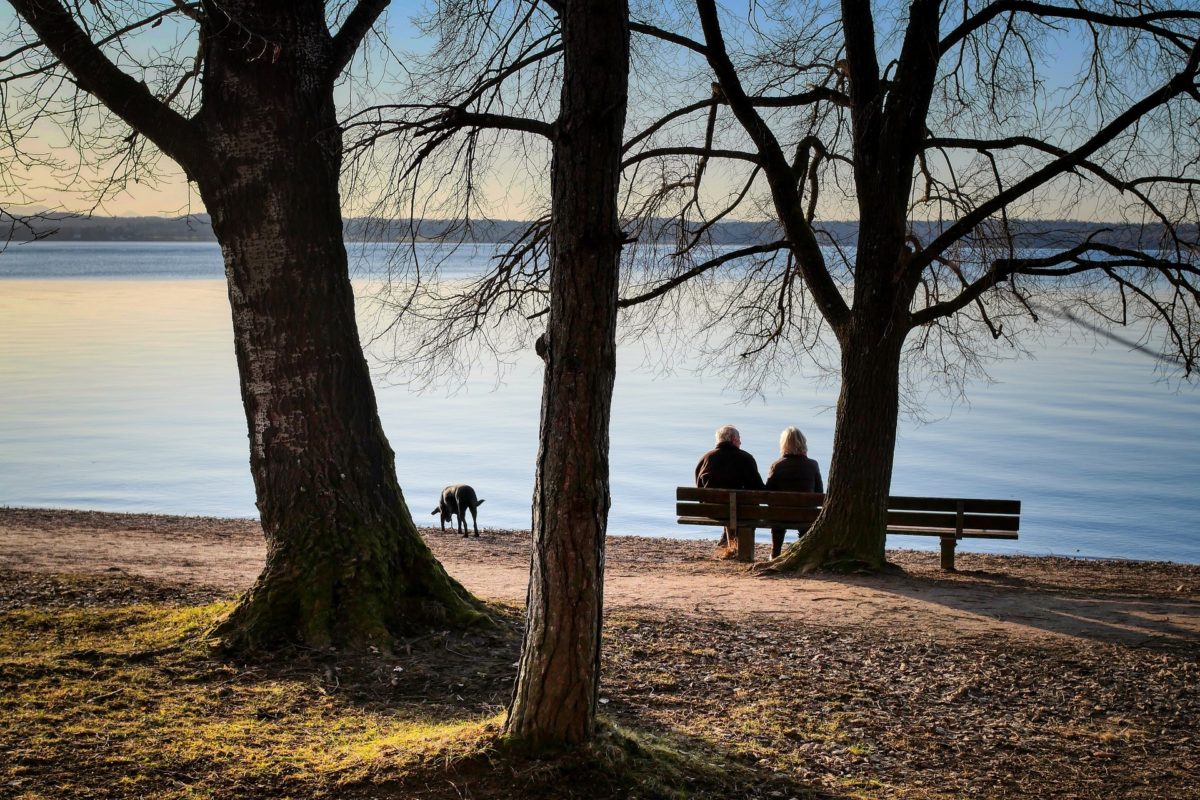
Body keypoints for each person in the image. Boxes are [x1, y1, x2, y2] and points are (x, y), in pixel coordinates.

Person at [695, 425, 764, 557]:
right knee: (745, 509)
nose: (740, 442)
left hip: (712, 511)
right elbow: (759, 490)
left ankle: (727, 542)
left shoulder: (705, 459)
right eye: (739, 439)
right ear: (733, 439)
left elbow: (699, 489)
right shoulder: (746, 458)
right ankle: (738, 547)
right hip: (744, 511)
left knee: (728, 508)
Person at [765, 426, 824, 558]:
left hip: (781, 515)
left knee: (778, 516)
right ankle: (803, 553)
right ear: (803, 443)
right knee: (805, 514)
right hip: (805, 515)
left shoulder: (777, 465)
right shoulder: (813, 464)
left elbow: (767, 494)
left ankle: (775, 553)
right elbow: (820, 492)